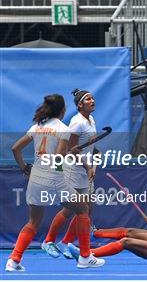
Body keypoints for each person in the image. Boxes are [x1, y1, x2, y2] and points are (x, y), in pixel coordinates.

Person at [5, 94, 104, 272]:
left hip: (35, 177)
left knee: (33, 222)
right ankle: (84, 257)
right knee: (83, 209)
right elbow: (59, 157)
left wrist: (24, 168)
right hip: (54, 178)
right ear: (62, 111)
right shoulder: (63, 129)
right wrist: (69, 154)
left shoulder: (37, 126)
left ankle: (13, 260)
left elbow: (15, 148)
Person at [43, 89, 99, 259]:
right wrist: (87, 166)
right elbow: (71, 150)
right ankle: (48, 241)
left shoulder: (91, 120)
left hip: (84, 171)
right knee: (70, 209)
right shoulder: (77, 123)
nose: (92, 100)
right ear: (80, 104)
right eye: (88, 99)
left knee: (87, 209)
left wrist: (94, 164)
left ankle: (65, 243)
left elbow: (91, 148)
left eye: (92, 98)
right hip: (72, 171)